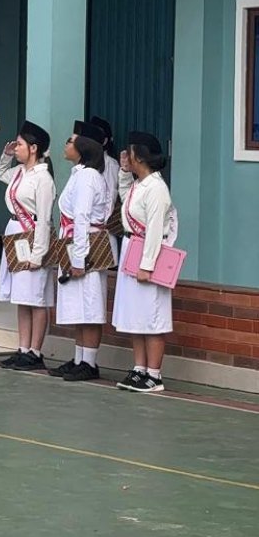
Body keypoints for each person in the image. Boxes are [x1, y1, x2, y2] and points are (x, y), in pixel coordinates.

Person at [113, 131, 177, 394]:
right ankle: (139, 368)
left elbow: (154, 230)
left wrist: (147, 264)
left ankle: (154, 374)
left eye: (130, 152)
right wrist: (124, 172)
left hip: (147, 253)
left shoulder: (157, 188)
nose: (127, 156)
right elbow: (126, 198)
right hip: (132, 248)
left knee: (152, 316)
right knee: (135, 315)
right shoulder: (139, 184)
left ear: (139, 155)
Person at [48, 128, 110, 383]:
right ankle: (79, 359)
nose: (66, 144)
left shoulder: (88, 177)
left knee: (90, 306)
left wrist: (79, 259)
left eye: (71, 141)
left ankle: (89, 362)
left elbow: (82, 217)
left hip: (86, 247)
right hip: (76, 243)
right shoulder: (80, 175)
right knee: (78, 307)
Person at [0, 120, 56, 371]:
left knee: (36, 296)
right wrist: (5, 156)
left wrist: (39, 253)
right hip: (15, 234)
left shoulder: (43, 179)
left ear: (33, 148)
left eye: (19, 144)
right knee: (22, 296)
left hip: (31, 236)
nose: (16, 147)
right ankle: (22, 348)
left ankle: (35, 351)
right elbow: (1, 174)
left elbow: (44, 219)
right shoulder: (20, 172)